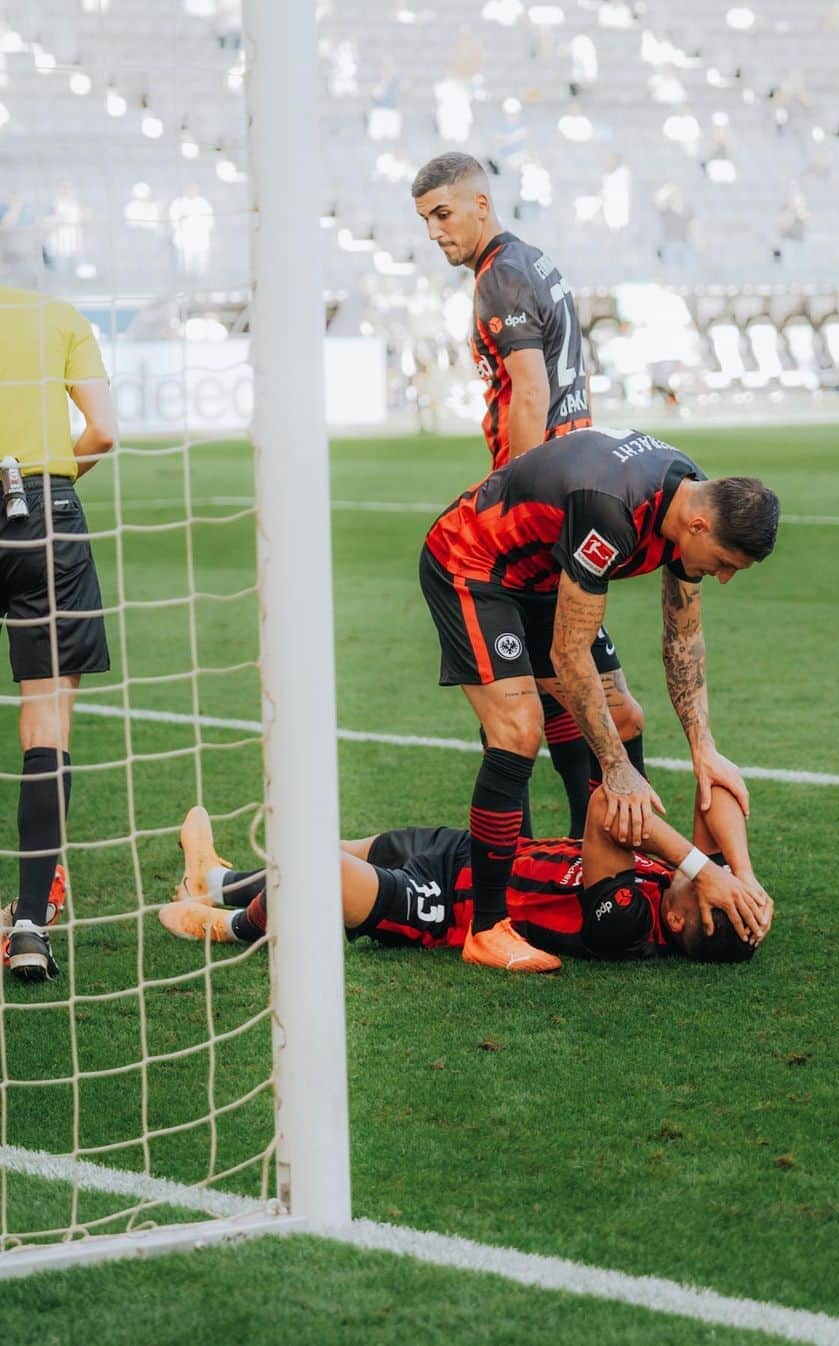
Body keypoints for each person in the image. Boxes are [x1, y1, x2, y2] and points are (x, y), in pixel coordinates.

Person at [419, 425, 780, 973]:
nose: (725, 577)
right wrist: (616, 768)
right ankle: (488, 927)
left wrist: (705, 749)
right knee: (518, 729)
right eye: (727, 562)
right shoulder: (613, 511)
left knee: (624, 716)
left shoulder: (691, 501)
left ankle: (599, 859)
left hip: (543, 575)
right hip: (475, 564)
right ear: (701, 526)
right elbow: (570, 653)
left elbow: (682, 637)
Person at [411, 150, 642, 840]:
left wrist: (515, 493)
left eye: (443, 214)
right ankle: (590, 851)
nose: (434, 232)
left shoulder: (498, 280)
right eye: (425, 220)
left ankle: (548, 863)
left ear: (481, 204)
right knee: (573, 694)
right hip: (570, 491)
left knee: (523, 712)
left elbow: (532, 391)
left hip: (540, 510)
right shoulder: (536, 263)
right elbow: (574, 378)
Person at [159, 777, 773, 964]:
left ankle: (233, 926)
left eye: (713, 894)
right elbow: (713, 793)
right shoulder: (694, 885)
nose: (710, 877)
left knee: (318, 869)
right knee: (330, 848)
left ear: (676, 916)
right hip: (473, 857)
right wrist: (741, 874)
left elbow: (605, 805)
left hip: (449, 908)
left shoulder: (630, 924)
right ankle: (214, 880)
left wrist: (700, 866)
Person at [0, 282, 117, 981]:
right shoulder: (55, 315)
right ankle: (28, 926)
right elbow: (102, 430)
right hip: (40, 511)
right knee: (46, 720)